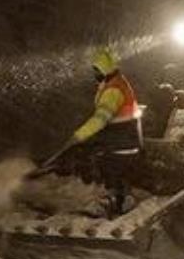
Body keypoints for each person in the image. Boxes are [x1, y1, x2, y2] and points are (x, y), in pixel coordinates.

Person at [54, 48, 143, 215]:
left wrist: (79, 135)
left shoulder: (113, 90)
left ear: (105, 69)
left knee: (110, 167)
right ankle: (117, 199)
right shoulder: (113, 83)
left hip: (121, 140)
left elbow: (100, 118)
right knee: (108, 165)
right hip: (122, 138)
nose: (94, 73)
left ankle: (116, 202)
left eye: (96, 70)